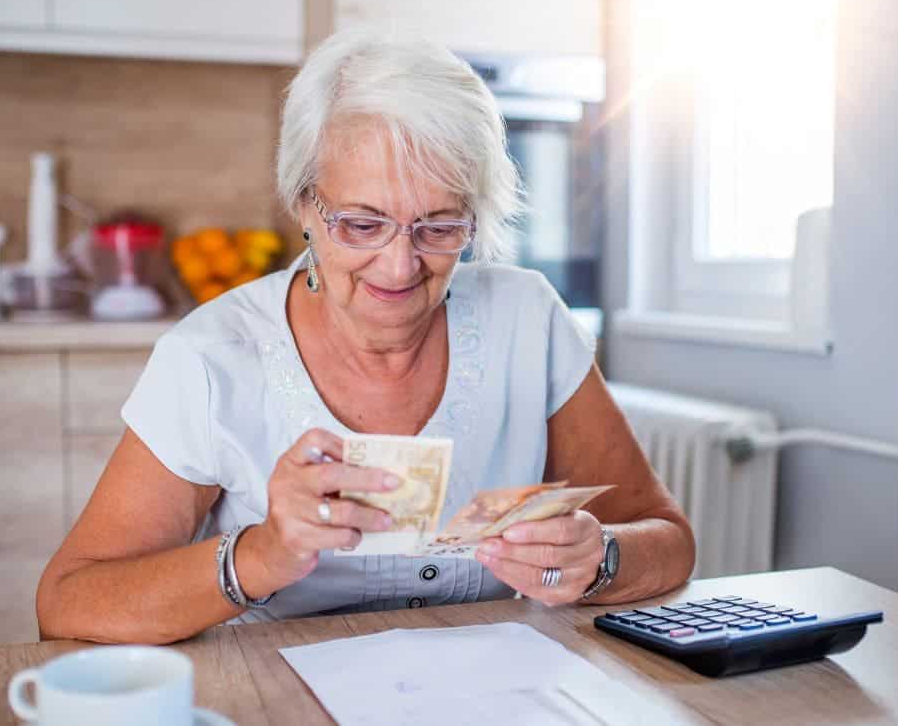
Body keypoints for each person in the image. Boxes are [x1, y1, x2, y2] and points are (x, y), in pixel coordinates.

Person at [36, 31, 695, 644]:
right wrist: (260, 554)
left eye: (439, 227)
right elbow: (69, 602)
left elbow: (668, 539)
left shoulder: (528, 318)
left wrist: (598, 557)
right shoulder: (211, 357)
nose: (400, 265)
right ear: (303, 205)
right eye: (362, 224)